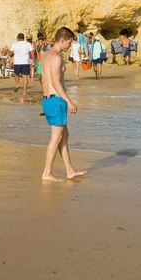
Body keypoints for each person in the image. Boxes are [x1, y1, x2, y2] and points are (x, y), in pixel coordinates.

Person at [41, 26, 88, 181]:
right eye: (69, 42)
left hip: (49, 99)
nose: (69, 46)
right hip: (56, 99)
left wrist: (46, 99)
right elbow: (55, 82)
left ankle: (70, 170)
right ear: (62, 40)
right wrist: (70, 102)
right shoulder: (55, 57)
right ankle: (47, 173)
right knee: (56, 136)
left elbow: (43, 80)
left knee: (64, 135)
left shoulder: (46, 55)